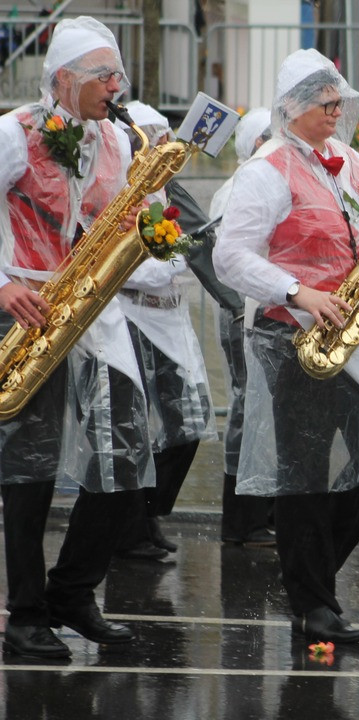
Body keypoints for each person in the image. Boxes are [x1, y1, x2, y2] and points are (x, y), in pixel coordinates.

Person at [214, 48, 359, 644]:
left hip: (353, 337)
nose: (336, 112)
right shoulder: (267, 168)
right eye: (325, 103)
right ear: (292, 107)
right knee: (304, 473)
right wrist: (298, 292)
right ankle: (313, 604)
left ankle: (308, 579)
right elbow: (230, 256)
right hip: (292, 337)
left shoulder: (345, 163)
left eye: (338, 102)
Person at [0, 16, 154, 658]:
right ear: (62, 80)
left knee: (129, 448)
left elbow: (109, 221)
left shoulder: (116, 140)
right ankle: (27, 612)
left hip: (90, 309)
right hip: (28, 302)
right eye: (103, 76)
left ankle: (73, 591)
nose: (115, 87)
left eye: (118, 74)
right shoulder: (13, 132)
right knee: (28, 467)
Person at [110, 101, 217, 561]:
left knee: (189, 424)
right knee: (131, 428)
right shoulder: (118, 191)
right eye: (151, 139)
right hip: (133, 315)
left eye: (161, 138)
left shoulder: (159, 196)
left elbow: (171, 259)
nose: (160, 147)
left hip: (170, 315)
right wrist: (166, 262)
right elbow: (123, 264)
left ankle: (148, 510)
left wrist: (174, 257)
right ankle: (131, 528)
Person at [207, 107, 276, 547]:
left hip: (263, 312)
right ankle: (241, 519)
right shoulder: (236, 190)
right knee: (246, 408)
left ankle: (259, 512)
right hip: (242, 314)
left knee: (263, 412)